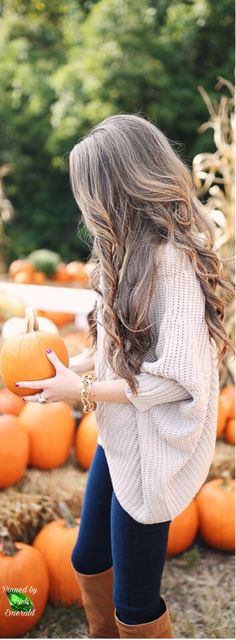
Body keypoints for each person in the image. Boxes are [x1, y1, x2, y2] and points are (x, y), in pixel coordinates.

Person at [16, 114, 234, 639]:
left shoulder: (173, 264)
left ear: (120, 188)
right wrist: (77, 368)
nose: (85, 206)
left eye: (90, 190)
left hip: (155, 452)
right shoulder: (124, 256)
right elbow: (125, 353)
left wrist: (82, 390)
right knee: (89, 560)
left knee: (134, 604)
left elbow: (177, 379)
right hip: (121, 440)